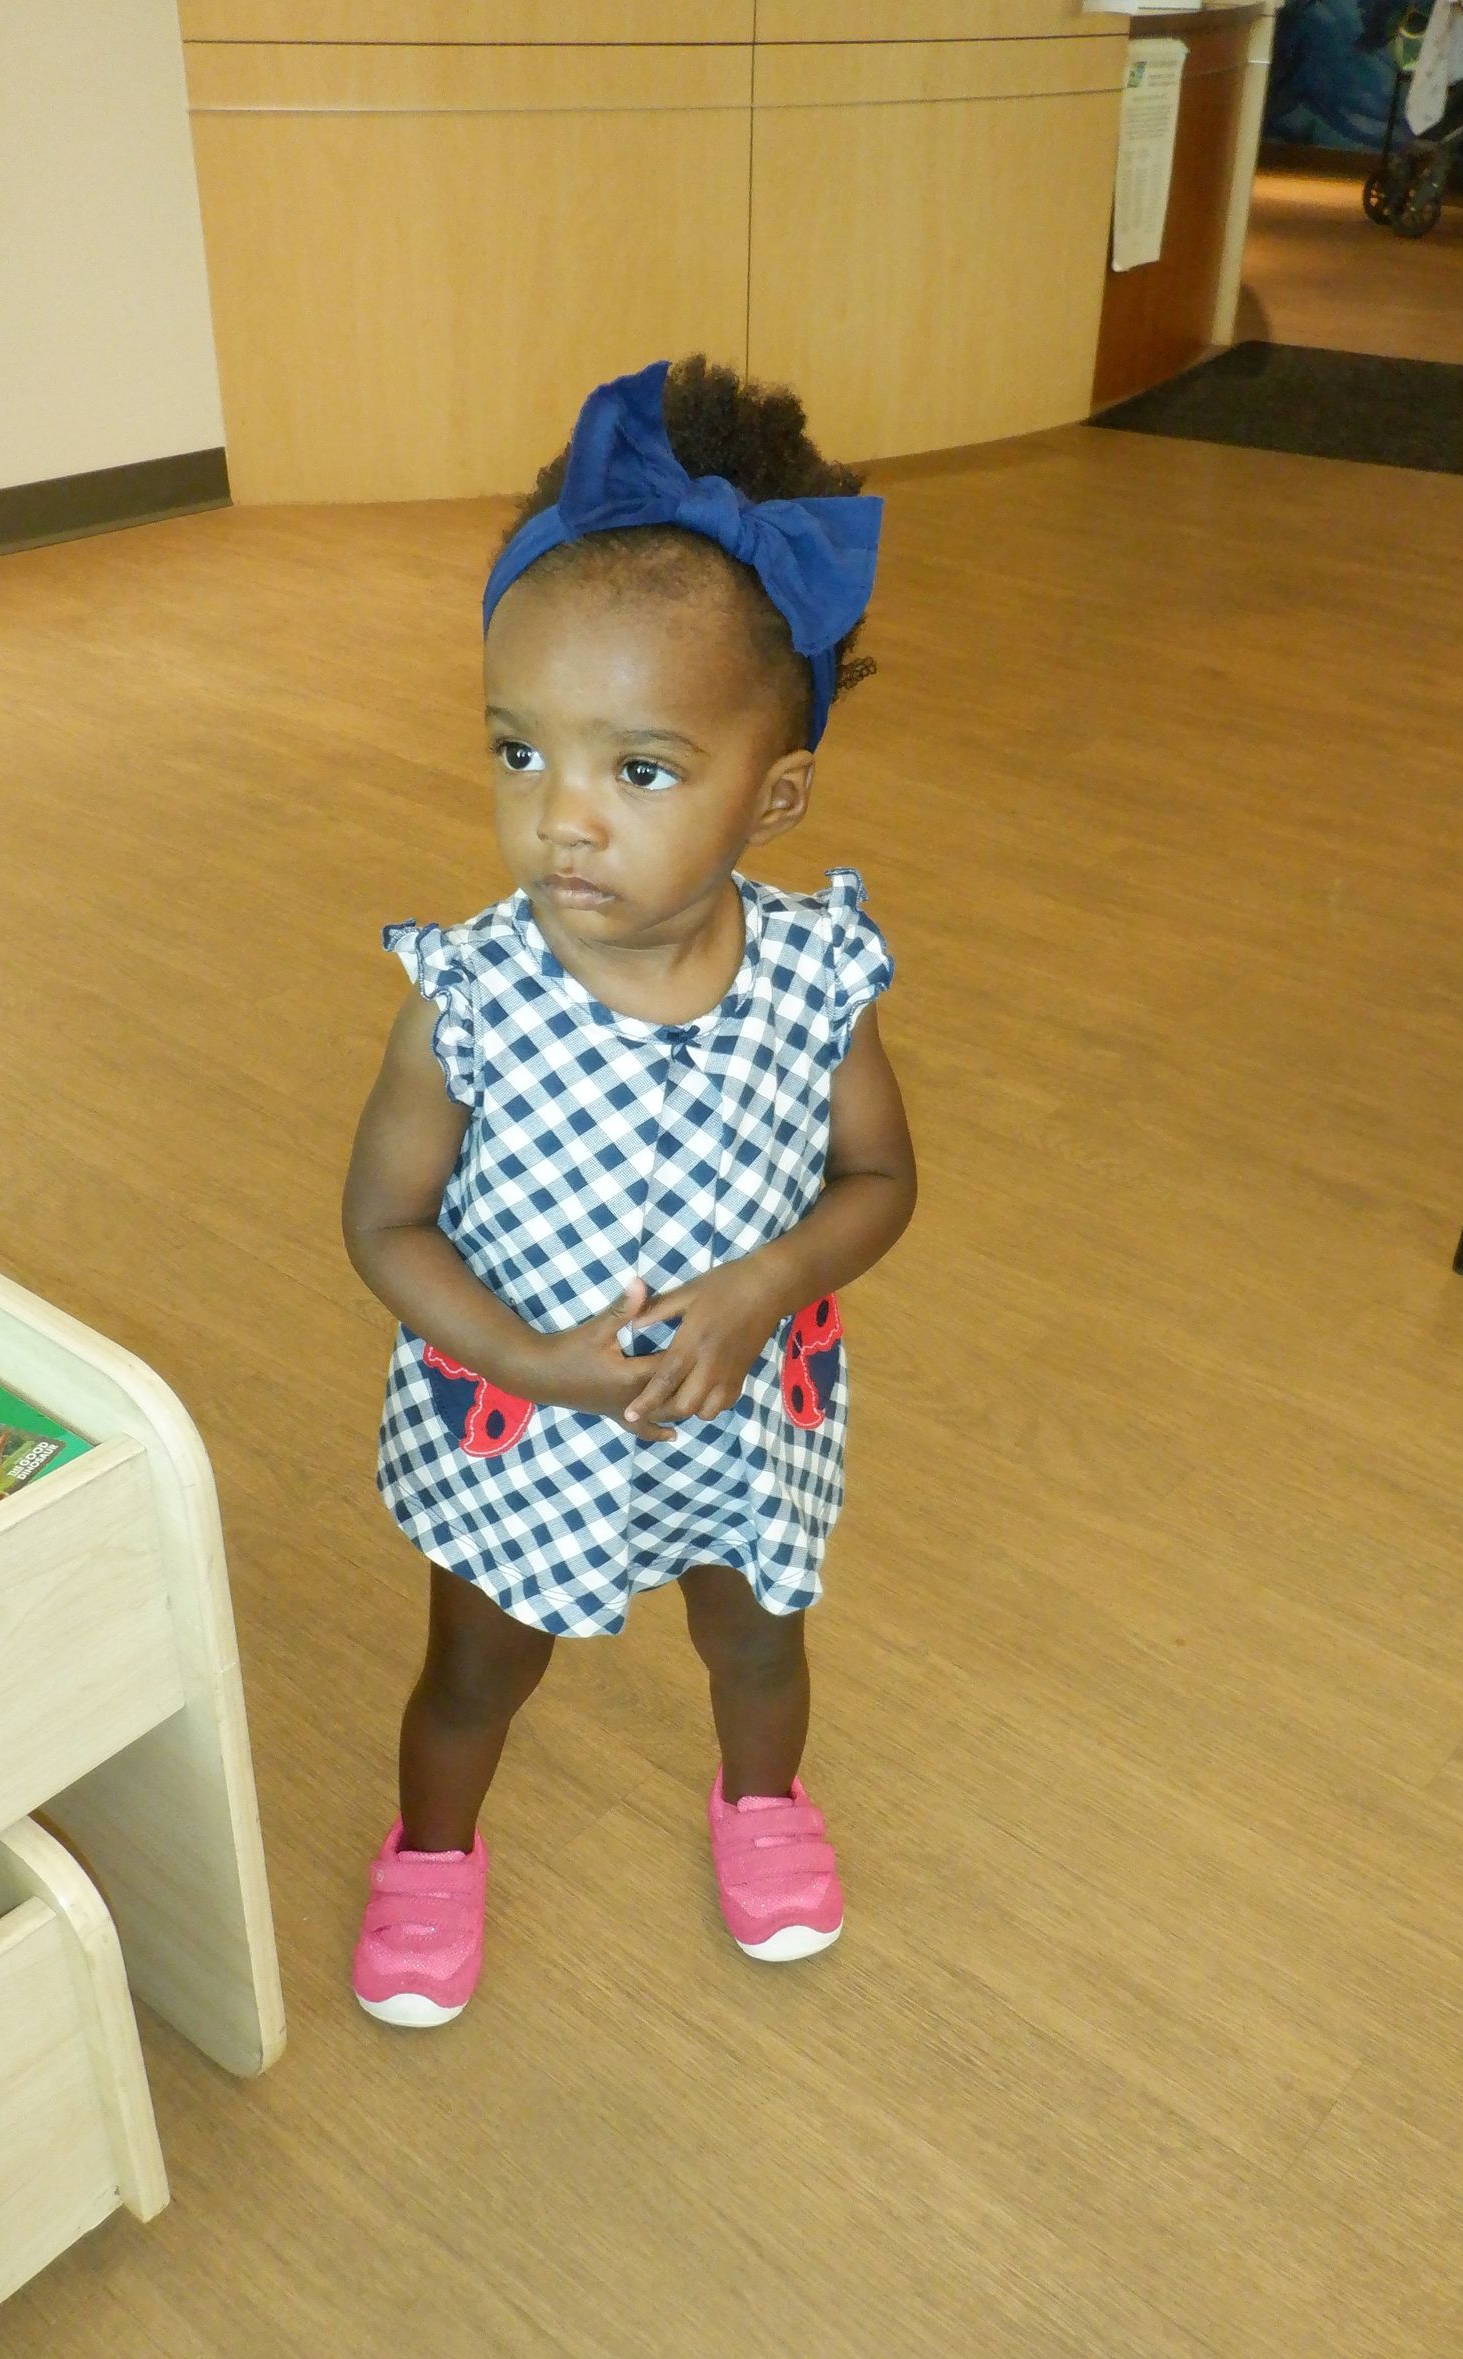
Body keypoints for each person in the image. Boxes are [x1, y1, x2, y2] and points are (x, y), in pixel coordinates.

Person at [341, 356, 916, 2027]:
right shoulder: (466, 997)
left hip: (744, 1410)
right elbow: (382, 1223)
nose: (562, 822)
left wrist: (763, 1284)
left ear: (774, 790)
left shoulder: (818, 976)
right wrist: (521, 1357)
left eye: (639, 772)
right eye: (520, 754)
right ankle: (433, 1855)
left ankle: (762, 1806)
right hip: (523, 1420)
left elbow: (880, 1177)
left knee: (753, 1639)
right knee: (473, 1668)